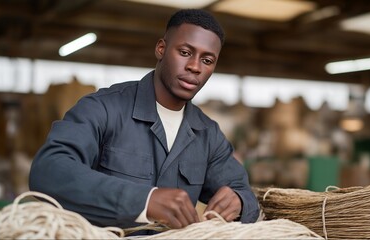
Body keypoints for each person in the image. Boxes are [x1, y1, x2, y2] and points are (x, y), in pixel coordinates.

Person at [29, 9, 260, 234]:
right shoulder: (103, 108)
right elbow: (49, 170)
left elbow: (243, 190)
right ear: (161, 48)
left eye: (207, 60)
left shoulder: (208, 135)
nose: (195, 67)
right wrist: (144, 201)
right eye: (185, 52)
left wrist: (239, 201)